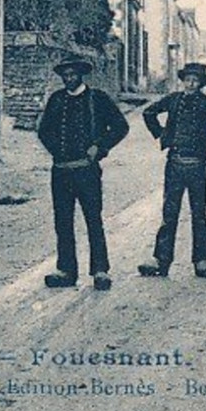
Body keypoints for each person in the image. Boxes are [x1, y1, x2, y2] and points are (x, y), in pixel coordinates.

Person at [35, 57, 129, 291]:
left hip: (87, 171)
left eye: (72, 74)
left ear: (80, 75)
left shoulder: (98, 99)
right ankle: (66, 270)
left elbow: (120, 126)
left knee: (93, 219)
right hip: (61, 172)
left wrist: (100, 147)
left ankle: (100, 270)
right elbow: (44, 130)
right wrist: (57, 151)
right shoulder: (56, 100)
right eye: (65, 75)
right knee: (63, 221)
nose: (68, 79)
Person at [137, 62, 206, 280]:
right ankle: (161, 260)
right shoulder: (173, 100)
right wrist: (162, 134)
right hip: (174, 164)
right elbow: (148, 112)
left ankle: (202, 261)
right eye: (188, 79)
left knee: (199, 215)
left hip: (198, 167)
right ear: (183, 81)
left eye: (196, 80)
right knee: (169, 213)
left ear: (201, 83)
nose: (191, 83)